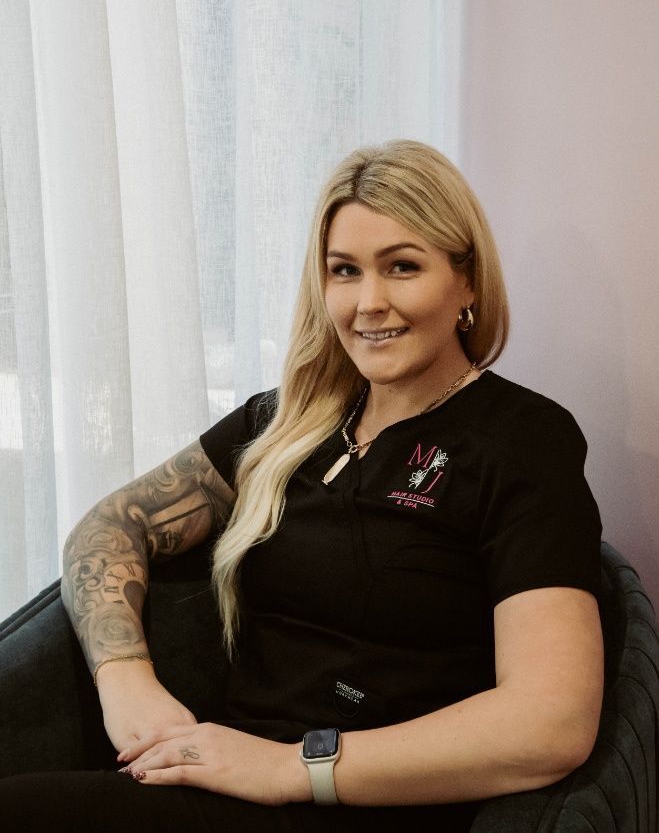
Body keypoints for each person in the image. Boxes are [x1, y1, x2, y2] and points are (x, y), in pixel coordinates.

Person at [0, 140, 604, 832]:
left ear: (467, 282)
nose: (368, 302)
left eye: (402, 266)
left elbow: (551, 721)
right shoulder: (287, 421)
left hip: (360, 802)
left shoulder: (522, 439)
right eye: (343, 271)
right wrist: (127, 681)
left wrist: (293, 767)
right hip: (219, 778)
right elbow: (111, 525)